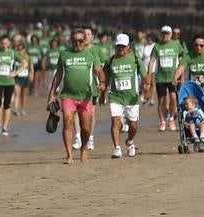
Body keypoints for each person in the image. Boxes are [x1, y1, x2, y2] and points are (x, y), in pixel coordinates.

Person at [48, 28, 104, 165]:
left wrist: (102, 82)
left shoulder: (91, 55)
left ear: (84, 41)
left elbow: (98, 70)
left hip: (85, 96)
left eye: (80, 41)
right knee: (67, 121)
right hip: (68, 95)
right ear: (71, 41)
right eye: (74, 41)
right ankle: (69, 155)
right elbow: (58, 75)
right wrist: (51, 94)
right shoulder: (65, 54)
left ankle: (83, 148)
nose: (77, 43)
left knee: (85, 128)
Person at [103, 33, 144, 159]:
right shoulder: (110, 61)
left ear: (129, 47)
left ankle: (130, 141)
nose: (120, 48)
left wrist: (146, 83)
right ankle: (117, 148)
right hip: (116, 97)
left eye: (123, 46)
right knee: (115, 121)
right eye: (118, 46)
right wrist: (101, 94)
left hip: (132, 98)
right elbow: (105, 79)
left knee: (133, 125)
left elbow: (145, 74)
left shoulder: (135, 59)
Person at [150, 25, 183, 131]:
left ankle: (172, 118)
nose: (165, 35)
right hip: (160, 78)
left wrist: (180, 74)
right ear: (161, 34)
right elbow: (152, 61)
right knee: (161, 100)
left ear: (171, 35)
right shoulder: (157, 46)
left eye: (167, 33)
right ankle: (162, 121)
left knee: (173, 98)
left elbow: (182, 59)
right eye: (163, 33)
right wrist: (149, 74)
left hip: (173, 77)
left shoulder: (176, 45)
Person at [0, 36, 21, 137]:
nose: (4, 45)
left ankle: (5, 127)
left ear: (9, 43)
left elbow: (24, 63)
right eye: (2, 43)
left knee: (7, 104)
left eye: (6, 43)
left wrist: (16, 73)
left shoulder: (12, 53)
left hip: (9, 82)